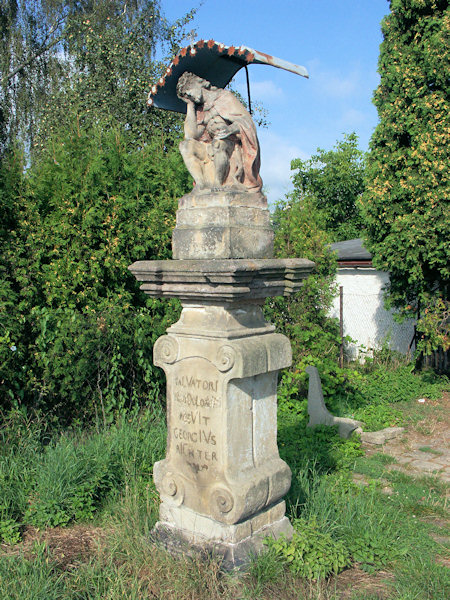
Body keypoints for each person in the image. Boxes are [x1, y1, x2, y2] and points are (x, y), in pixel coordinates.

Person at [176, 72, 262, 192]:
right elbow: (191, 135)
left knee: (218, 143)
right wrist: (190, 106)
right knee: (185, 146)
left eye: (189, 90)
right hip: (208, 148)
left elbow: (247, 123)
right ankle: (201, 184)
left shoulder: (224, 97)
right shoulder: (200, 110)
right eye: (186, 95)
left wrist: (230, 129)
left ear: (197, 84)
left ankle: (218, 183)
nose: (189, 95)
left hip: (229, 144)